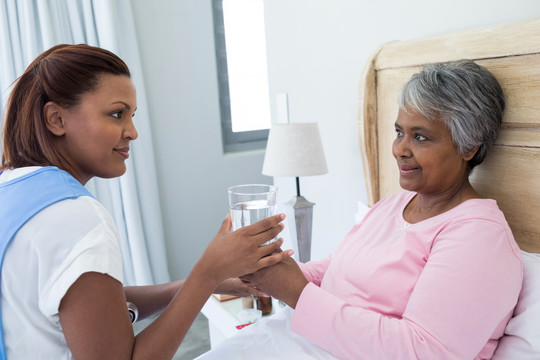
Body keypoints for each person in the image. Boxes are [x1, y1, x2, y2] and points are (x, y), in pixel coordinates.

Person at [197, 60, 523, 360]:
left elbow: (424, 351)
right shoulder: (393, 205)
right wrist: (265, 273)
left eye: (420, 137)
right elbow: (339, 270)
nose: (400, 150)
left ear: (469, 147)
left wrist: (297, 293)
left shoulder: (479, 235)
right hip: (293, 342)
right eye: (399, 132)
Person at [0, 44, 293, 359]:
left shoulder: (11, 189)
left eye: (132, 116)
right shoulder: (78, 218)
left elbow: (90, 309)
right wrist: (207, 271)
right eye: (117, 113)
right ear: (56, 119)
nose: (133, 132)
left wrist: (211, 281)